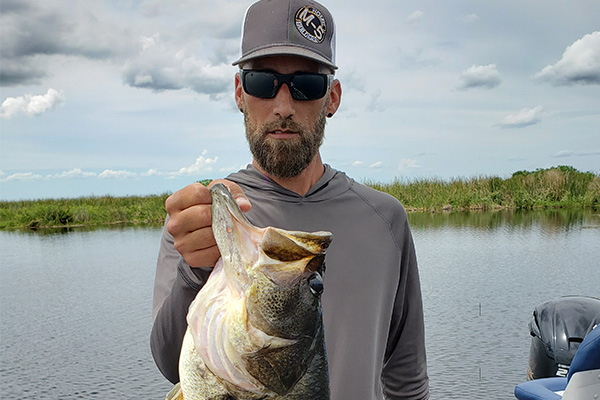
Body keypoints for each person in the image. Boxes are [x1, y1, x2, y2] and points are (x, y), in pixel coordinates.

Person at [151, 0, 429, 398]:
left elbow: (407, 379)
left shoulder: (387, 220)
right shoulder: (199, 223)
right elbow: (167, 361)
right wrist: (194, 271)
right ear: (239, 93)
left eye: (306, 85)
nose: (283, 107)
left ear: (331, 98)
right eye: (263, 83)